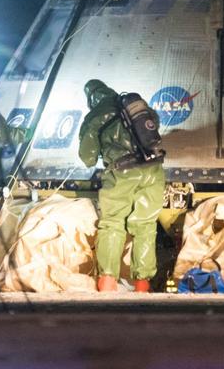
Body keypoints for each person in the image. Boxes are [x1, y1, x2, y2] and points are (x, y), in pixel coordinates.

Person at [78, 79, 165, 293]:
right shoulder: (137, 107)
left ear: (92, 97)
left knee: (112, 223)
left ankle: (107, 283)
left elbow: (87, 157)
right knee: (146, 225)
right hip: (153, 170)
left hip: (122, 173)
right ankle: (143, 286)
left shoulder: (97, 115)